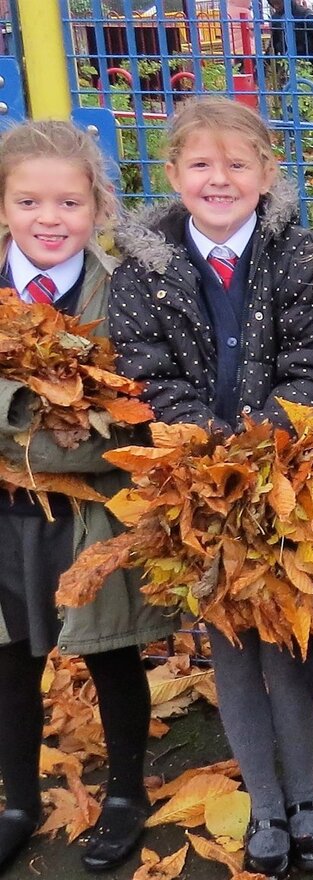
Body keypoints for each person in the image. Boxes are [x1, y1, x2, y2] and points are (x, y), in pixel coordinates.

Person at [107, 95, 313, 877]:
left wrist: (260, 442)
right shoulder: (144, 265)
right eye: (201, 164)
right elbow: (146, 368)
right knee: (231, 647)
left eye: (237, 164)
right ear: (173, 173)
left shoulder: (303, 257)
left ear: (267, 173)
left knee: (288, 644)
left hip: (283, 479)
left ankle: (304, 792)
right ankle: (265, 804)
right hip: (195, 486)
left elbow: (312, 360)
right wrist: (208, 452)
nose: (219, 178)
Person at [0, 120, 174, 875]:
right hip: (4, 522)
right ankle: (16, 798)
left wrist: (24, 442)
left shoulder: (119, 292)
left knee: (111, 653)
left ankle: (127, 792)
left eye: (68, 202)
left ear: (97, 206)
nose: (49, 218)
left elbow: (133, 416)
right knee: (8, 659)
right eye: (30, 201)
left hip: (91, 515)